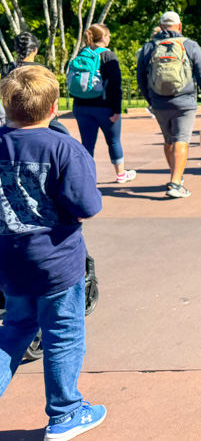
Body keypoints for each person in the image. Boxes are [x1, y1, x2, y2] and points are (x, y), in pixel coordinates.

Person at [0, 66, 106, 439]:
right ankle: (65, 413)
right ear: (53, 108)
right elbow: (86, 205)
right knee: (63, 332)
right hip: (56, 259)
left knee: (15, 328)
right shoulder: (63, 147)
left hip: (9, 258)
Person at [137, 12, 201, 199]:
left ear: (160, 26)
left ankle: (176, 176)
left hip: (159, 102)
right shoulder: (190, 45)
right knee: (181, 140)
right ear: (180, 26)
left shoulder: (148, 47)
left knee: (168, 140)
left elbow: (141, 77)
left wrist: (150, 100)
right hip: (185, 102)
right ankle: (175, 183)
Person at [68, 24, 136, 184]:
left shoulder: (82, 54)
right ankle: (121, 174)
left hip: (81, 106)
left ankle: (86, 178)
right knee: (113, 141)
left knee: (87, 143)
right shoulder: (108, 56)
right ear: (104, 37)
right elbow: (115, 84)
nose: (110, 38)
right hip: (104, 107)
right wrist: (117, 109)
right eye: (109, 35)